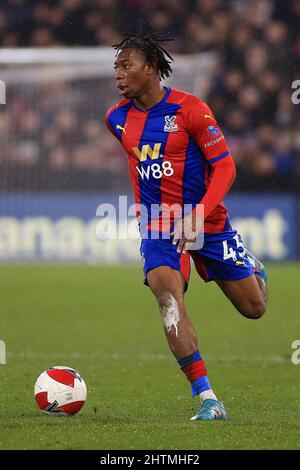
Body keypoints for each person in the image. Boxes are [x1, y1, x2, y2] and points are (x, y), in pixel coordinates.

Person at [105, 32, 268, 421]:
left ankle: (253, 267)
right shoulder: (116, 119)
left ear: (150, 69)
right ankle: (208, 399)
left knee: (253, 308)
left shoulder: (191, 110)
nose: (118, 74)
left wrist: (198, 213)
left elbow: (226, 166)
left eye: (126, 66)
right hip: (159, 227)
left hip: (208, 223)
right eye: (116, 67)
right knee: (167, 299)